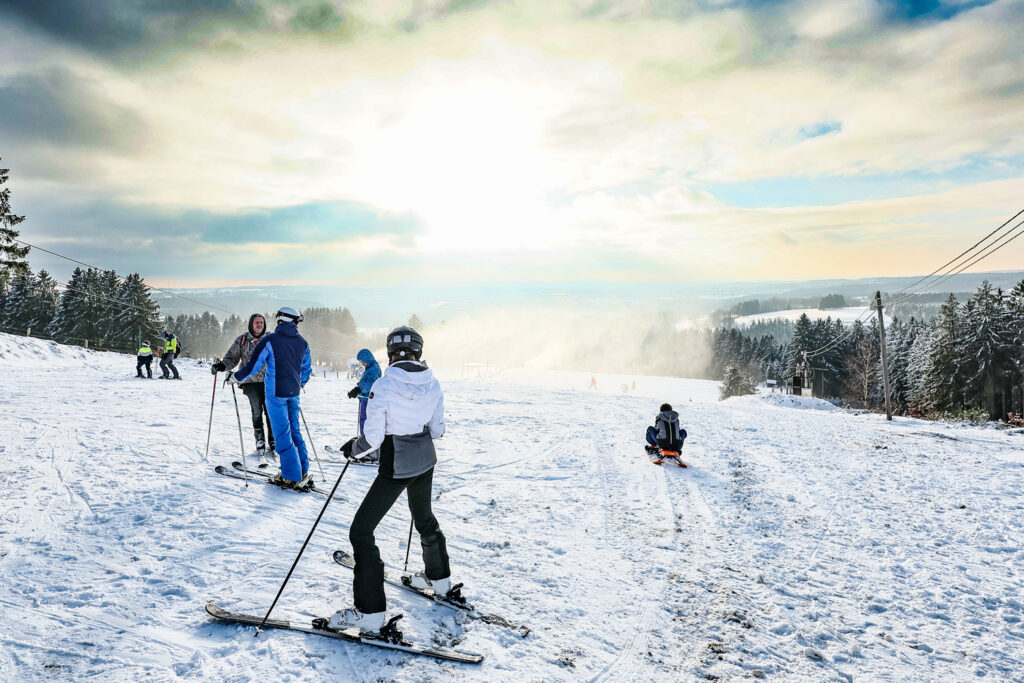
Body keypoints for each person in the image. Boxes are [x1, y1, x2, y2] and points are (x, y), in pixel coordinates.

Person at [328, 326, 450, 633]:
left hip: (396, 463)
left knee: (361, 531)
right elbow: (438, 431)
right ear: (419, 352)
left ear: (390, 353)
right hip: (425, 461)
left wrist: (353, 449)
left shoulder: (383, 385)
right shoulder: (433, 383)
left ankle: (369, 612)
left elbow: (372, 439)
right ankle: (439, 580)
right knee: (424, 518)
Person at [228, 307, 312, 489]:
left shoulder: (270, 340)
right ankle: (302, 470)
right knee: (295, 431)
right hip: (294, 394)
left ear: (280, 320)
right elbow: (306, 369)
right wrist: (299, 384)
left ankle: (291, 476)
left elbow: (253, 366)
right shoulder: (302, 342)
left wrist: (235, 377)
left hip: (276, 395)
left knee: (282, 434)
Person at [212, 313, 275, 466]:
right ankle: (260, 440)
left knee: (271, 412)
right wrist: (221, 366)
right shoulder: (242, 340)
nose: (259, 325)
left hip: (269, 381)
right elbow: (231, 358)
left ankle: (273, 441)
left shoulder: (270, 339)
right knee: (256, 411)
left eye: (261, 322)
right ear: (251, 324)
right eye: (256, 322)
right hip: (250, 382)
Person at [347, 348, 382, 438]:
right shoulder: (371, 367)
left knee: (365, 420)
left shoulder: (373, 369)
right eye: (361, 362)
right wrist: (359, 385)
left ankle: (365, 439)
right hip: (366, 398)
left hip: (368, 400)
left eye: (363, 362)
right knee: (363, 419)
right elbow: (367, 380)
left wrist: (358, 389)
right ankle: (364, 438)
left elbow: (369, 384)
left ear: (368, 359)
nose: (362, 364)